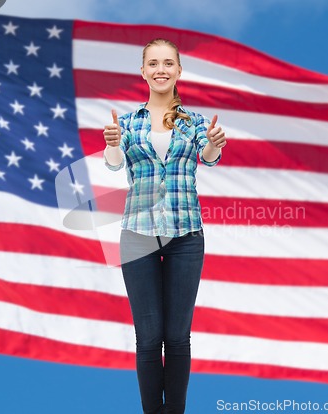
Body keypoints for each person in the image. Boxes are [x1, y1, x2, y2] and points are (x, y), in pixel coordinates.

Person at [103, 38, 226, 414]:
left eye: (168, 63)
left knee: (176, 338)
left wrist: (214, 146)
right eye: (153, 63)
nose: (161, 69)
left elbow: (208, 158)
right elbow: (112, 165)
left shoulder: (196, 122)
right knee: (148, 337)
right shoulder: (126, 123)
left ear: (178, 72)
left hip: (185, 234)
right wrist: (111, 144)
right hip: (138, 234)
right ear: (143, 72)